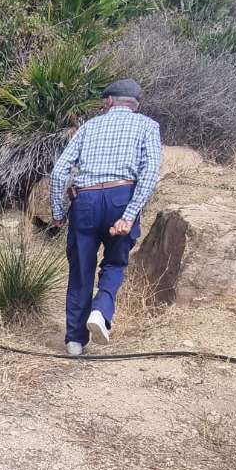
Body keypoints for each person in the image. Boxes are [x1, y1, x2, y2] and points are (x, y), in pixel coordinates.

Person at [49, 79, 161, 355]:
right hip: (121, 197)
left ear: (109, 101)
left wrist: (57, 212)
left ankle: (75, 341)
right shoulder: (148, 125)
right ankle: (100, 312)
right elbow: (150, 173)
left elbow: (58, 172)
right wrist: (130, 214)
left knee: (80, 271)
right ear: (135, 104)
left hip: (84, 199)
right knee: (114, 263)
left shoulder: (89, 127)